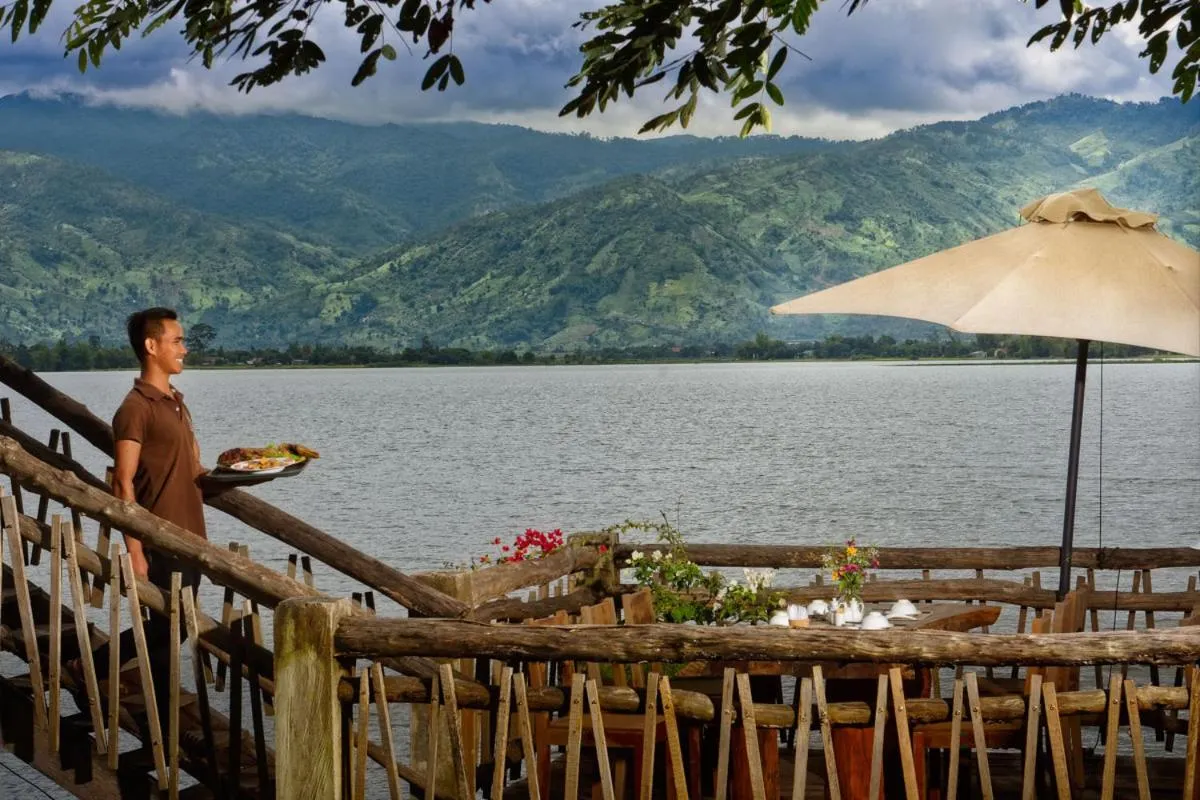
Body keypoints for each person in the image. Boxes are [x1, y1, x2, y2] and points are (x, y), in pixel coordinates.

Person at [78, 307, 207, 732]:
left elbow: (193, 471)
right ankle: (150, 706)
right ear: (152, 347)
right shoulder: (135, 408)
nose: (185, 348)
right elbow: (123, 483)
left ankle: (105, 673)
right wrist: (135, 549)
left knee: (175, 626)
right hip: (159, 539)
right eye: (177, 341)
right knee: (170, 627)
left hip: (191, 536)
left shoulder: (176, 403)